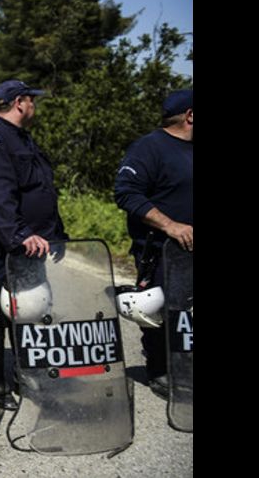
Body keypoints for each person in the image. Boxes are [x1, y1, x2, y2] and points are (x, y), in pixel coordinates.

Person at [0, 79, 68, 410]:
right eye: (32, 100)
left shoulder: (22, 139)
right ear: (20, 102)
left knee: (32, 309)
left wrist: (57, 232)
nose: (34, 106)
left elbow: (42, 190)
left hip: (33, 246)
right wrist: (19, 236)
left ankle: (28, 374)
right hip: (3, 248)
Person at [114, 89, 193, 400]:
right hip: (161, 250)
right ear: (190, 116)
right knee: (159, 312)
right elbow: (126, 192)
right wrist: (170, 225)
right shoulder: (148, 148)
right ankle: (160, 369)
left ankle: (184, 362)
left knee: (186, 314)